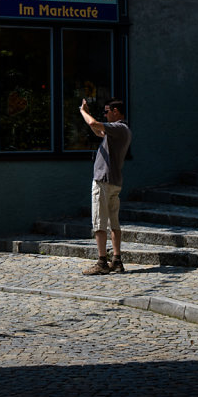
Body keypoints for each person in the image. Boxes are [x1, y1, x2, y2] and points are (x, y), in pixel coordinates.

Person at [79, 98, 132, 275]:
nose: (105, 114)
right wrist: (89, 117)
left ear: (116, 112)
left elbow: (94, 123)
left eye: (107, 111)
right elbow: (96, 130)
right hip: (115, 181)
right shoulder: (120, 131)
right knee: (113, 222)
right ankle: (116, 260)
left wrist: (83, 111)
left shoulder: (119, 128)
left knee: (99, 222)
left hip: (104, 181)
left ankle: (102, 262)